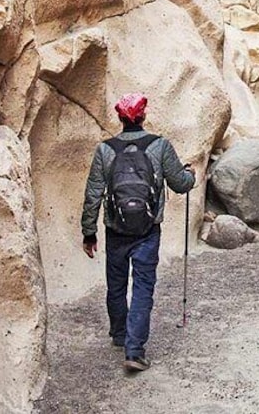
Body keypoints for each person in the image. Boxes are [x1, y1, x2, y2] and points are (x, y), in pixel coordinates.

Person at [80, 93, 195, 372]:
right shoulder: (159, 146)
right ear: (143, 116)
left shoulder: (105, 151)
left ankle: (120, 335)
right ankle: (134, 350)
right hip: (147, 230)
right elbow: (180, 184)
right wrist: (190, 174)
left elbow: (94, 193)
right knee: (143, 287)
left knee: (116, 285)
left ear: (120, 118)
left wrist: (89, 232)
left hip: (116, 229)